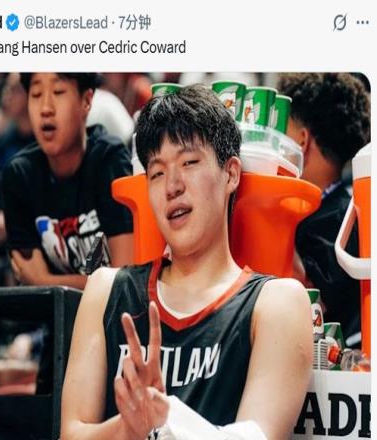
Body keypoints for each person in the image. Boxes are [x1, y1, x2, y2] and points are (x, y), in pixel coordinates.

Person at [61, 85, 313, 439]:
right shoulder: (106, 291)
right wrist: (128, 427)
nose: (172, 186)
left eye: (189, 163)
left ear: (231, 174)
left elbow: (258, 435)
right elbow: (71, 433)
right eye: (156, 173)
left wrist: (166, 418)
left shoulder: (277, 304)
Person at [2, 73, 134, 289]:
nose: (46, 108)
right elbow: (32, 288)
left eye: (59, 92)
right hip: (52, 312)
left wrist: (44, 281)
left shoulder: (110, 161)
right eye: (36, 94)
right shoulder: (19, 176)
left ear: (86, 101)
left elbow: (125, 280)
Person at [278, 73, 371, 341]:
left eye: (283, 131)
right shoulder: (340, 208)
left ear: (301, 141)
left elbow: (312, 302)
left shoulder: (343, 218)